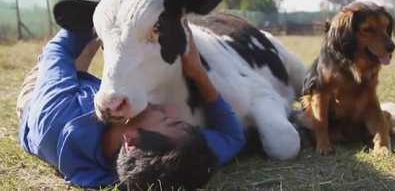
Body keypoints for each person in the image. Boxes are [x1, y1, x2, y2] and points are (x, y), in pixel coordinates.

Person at [17, 18, 246, 191]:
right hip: (96, 97)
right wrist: (197, 72)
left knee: (96, 25)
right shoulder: (169, 162)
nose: (173, 110)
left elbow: (58, 49)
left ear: (131, 141)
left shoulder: (56, 114)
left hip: (40, 96)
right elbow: (233, 138)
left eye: (168, 119)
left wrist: (109, 10)